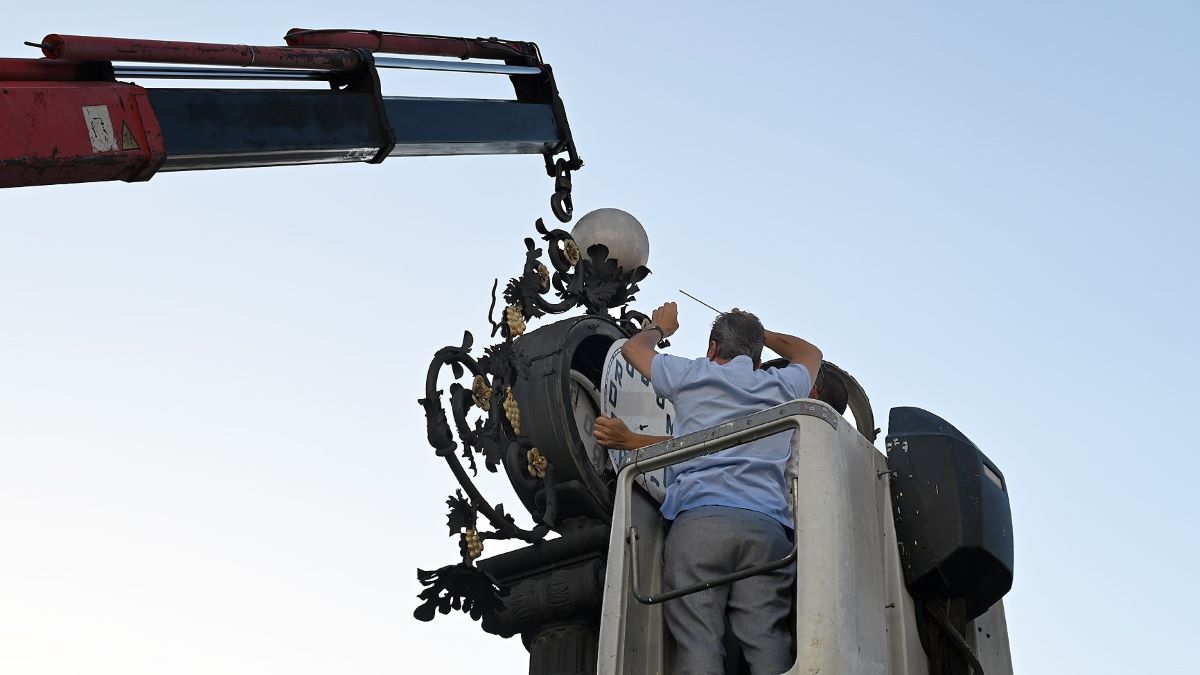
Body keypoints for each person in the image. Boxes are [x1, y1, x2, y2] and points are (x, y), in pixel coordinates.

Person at [593, 302, 821, 675]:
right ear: (758, 356)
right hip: (767, 531)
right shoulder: (782, 385)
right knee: (767, 640)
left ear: (713, 348)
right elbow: (811, 353)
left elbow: (633, 350)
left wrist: (659, 326)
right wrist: (758, 336)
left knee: (699, 640)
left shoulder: (692, 373)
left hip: (700, 524)